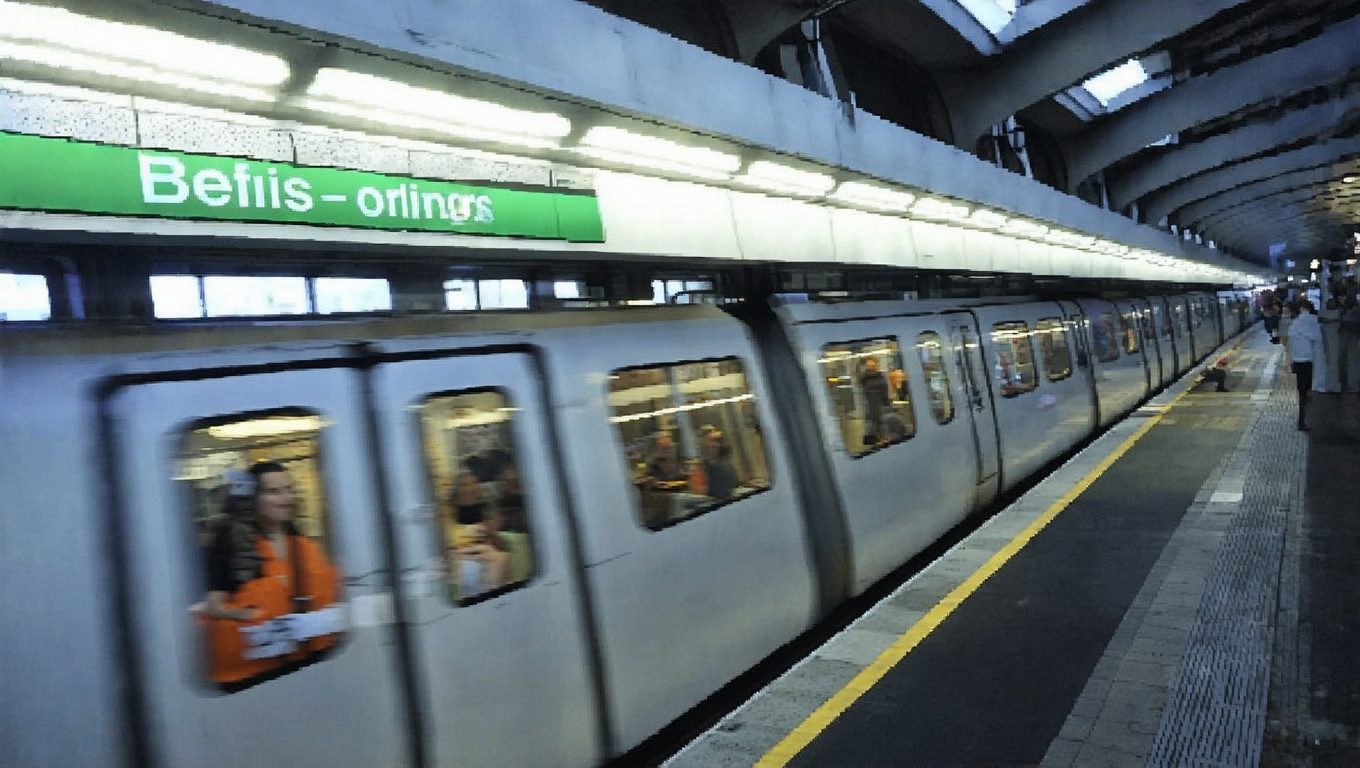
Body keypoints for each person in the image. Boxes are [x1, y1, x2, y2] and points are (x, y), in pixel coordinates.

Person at [199, 462, 341, 687]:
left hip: (310, 671)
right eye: (273, 492)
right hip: (250, 682)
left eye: (288, 490)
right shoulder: (231, 545)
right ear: (253, 499)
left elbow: (330, 592)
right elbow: (214, 610)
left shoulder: (303, 546)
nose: (286, 498)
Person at [447, 471, 509, 598]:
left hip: (484, 549)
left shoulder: (485, 506)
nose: (469, 488)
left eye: (473, 483)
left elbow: (494, 527)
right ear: (457, 488)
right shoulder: (450, 509)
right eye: (464, 484)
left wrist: (489, 533)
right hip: (461, 553)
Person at [1287, 299, 1323, 430]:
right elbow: (1317, 340)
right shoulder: (1313, 321)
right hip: (1308, 361)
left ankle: (1302, 420)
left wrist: (1290, 361)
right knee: (1306, 391)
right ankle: (1303, 421)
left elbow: (1290, 343)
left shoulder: (1295, 323)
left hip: (1297, 361)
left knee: (1301, 392)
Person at [859, 356, 891, 447]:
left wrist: (886, 401)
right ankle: (877, 438)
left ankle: (882, 437)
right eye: (869, 364)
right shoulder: (865, 377)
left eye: (872, 364)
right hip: (871, 402)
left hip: (878, 401)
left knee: (880, 420)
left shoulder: (877, 376)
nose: (871, 366)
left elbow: (884, 389)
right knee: (874, 421)